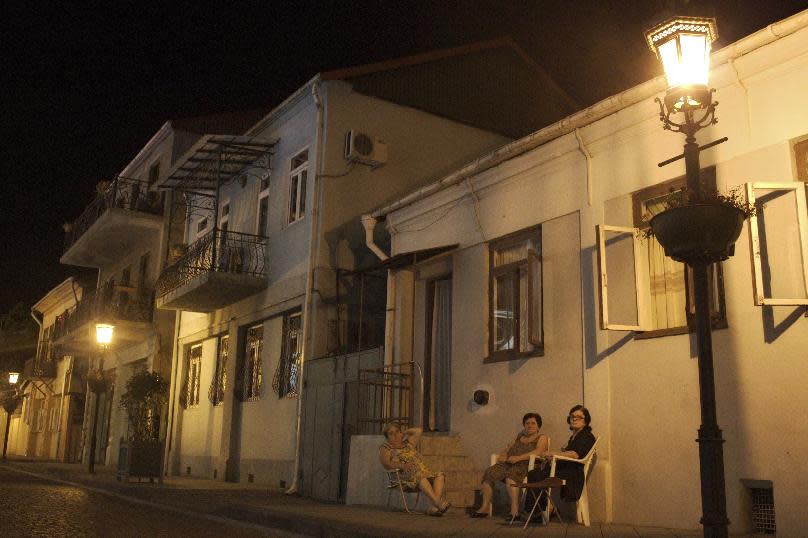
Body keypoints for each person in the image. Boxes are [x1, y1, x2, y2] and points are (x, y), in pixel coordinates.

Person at [471, 412, 549, 519]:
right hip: (508, 463)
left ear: (538, 426)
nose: (529, 425)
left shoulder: (542, 437)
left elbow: (539, 451)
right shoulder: (519, 437)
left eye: (533, 423)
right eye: (527, 423)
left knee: (511, 475)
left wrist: (518, 458)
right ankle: (485, 507)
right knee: (489, 472)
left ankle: (514, 511)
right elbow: (507, 448)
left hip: (525, 465)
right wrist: (503, 455)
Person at [525, 405, 596, 514]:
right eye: (572, 416)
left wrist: (554, 454)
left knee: (537, 475)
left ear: (585, 421)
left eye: (579, 417)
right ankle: (542, 510)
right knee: (533, 473)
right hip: (565, 468)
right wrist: (553, 458)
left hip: (573, 473)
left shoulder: (587, 436)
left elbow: (575, 454)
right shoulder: (574, 437)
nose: (574, 419)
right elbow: (567, 454)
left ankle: (540, 511)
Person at [378, 422, 450, 516]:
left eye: (397, 432)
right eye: (391, 434)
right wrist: (402, 465)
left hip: (421, 474)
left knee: (439, 475)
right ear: (387, 437)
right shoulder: (386, 448)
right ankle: (438, 503)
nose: (395, 435)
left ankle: (434, 508)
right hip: (402, 478)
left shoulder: (408, 444)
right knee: (419, 475)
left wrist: (403, 432)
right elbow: (386, 464)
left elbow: (418, 431)